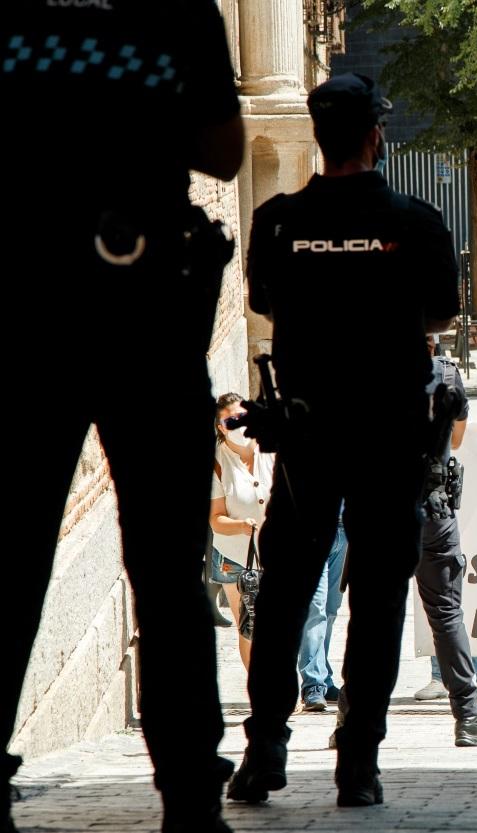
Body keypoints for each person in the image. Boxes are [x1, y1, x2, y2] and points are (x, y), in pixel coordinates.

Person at [4, 3, 245, 830]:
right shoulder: (177, 8)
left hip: (26, 302)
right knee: (170, 569)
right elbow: (224, 152)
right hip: (142, 298)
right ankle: (187, 790)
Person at [228, 73, 467, 810]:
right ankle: (358, 761)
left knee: (288, 592)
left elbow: (265, 302)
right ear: (375, 135)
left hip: (306, 434)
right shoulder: (417, 221)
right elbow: (439, 313)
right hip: (390, 435)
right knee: (378, 599)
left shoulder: (274, 222)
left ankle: (265, 747)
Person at [414, 336, 477, 709]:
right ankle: (468, 715)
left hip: (379, 510)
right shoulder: (447, 374)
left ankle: (349, 726)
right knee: (447, 613)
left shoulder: (367, 373)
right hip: (432, 507)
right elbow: (459, 437)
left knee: (371, 616)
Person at [210, 393, 277, 671]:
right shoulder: (217, 463)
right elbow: (215, 519)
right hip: (236, 558)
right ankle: (261, 691)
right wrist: (242, 526)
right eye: (230, 421)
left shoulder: (269, 447)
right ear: (220, 427)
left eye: (242, 418)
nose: (237, 425)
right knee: (250, 626)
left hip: (275, 552)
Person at [297, 509, 347, 712]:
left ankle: (323, 678)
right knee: (315, 609)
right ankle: (313, 685)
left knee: (330, 609)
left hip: (345, 530)